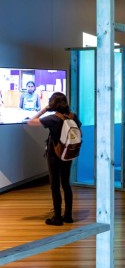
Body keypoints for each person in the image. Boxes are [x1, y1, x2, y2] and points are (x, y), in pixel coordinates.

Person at [27, 92, 81, 226]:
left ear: (53, 103)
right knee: (66, 184)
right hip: (68, 153)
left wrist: (45, 109)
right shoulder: (73, 116)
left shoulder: (53, 118)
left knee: (55, 186)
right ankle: (68, 216)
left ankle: (57, 218)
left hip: (54, 155)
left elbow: (31, 121)